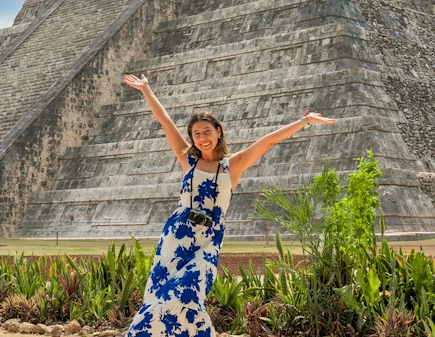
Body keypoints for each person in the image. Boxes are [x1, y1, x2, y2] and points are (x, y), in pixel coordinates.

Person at [122, 73, 336, 337]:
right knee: (159, 298)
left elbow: (268, 141)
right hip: (176, 237)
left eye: (207, 132)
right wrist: (146, 90)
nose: (202, 138)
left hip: (208, 240)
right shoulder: (188, 160)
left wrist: (304, 121)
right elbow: (165, 122)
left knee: (189, 292)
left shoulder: (232, 165)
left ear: (218, 132)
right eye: (196, 134)